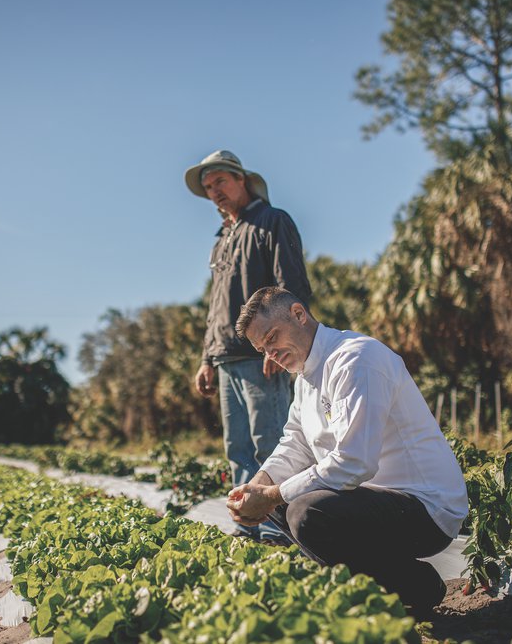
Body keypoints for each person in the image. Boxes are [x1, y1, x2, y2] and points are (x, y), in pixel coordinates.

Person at [226, 286, 467, 613]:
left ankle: (417, 586)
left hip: (425, 507)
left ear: (299, 314)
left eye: (272, 338)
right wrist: (257, 487)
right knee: (282, 502)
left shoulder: (356, 358)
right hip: (372, 501)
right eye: (262, 349)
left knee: (305, 512)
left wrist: (270, 495)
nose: (271, 354)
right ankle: (375, 587)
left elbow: (354, 462)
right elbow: (294, 443)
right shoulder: (304, 379)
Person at [185, 150, 312, 544]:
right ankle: (247, 527)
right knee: (237, 447)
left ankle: (282, 532)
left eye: (220, 182)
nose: (214, 193)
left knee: (270, 443)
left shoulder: (271, 222)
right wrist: (208, 357)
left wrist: (280, 344)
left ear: (241, 180)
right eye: (208, 188)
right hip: (225, 358)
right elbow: (217, 307)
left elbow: (290, 286)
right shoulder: (223, 239)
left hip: (262, 357)